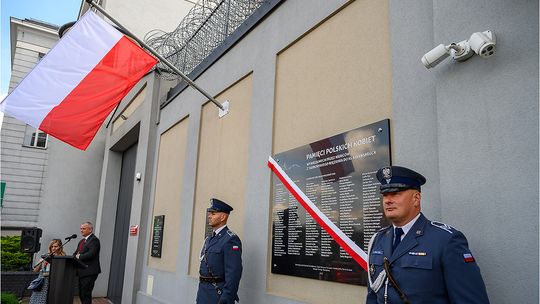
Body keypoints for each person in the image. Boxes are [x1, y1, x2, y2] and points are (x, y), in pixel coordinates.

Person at [366, 166, 490, 304]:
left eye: (395, 193)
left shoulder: (446, 240)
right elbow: (373, 296)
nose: (388, 200)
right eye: (385, 195)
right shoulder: (378, 240)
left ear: (416, 198)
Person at [197, 198, 243, 304]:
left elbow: (234, 273)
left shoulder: (230, 239)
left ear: (223, 217)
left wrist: (226, 299)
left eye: (213, 213)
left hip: (217, 296)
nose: (209, 216)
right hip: (203, 294)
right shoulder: (209, 239)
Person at [29, 239, 66, 304]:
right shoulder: (46, 255)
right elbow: (35, 270)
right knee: (40, 300)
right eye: (52, 246)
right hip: (43, 281)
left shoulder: (63, 257)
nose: (53, 248)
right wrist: (41, 261)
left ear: (60, 247)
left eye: (56, 246)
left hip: (55, 282)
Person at [74, 221, 101, 304]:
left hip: (90, 271)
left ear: (90, 230)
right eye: (81, 228)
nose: (81, 230)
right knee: (82, 293)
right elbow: (75, 253)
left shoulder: (94, 240)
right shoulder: (82, 241)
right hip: (81, 271)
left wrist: (79, 256)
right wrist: (74, 256)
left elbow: (91, 254)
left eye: (84, 228)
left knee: (86, 293)